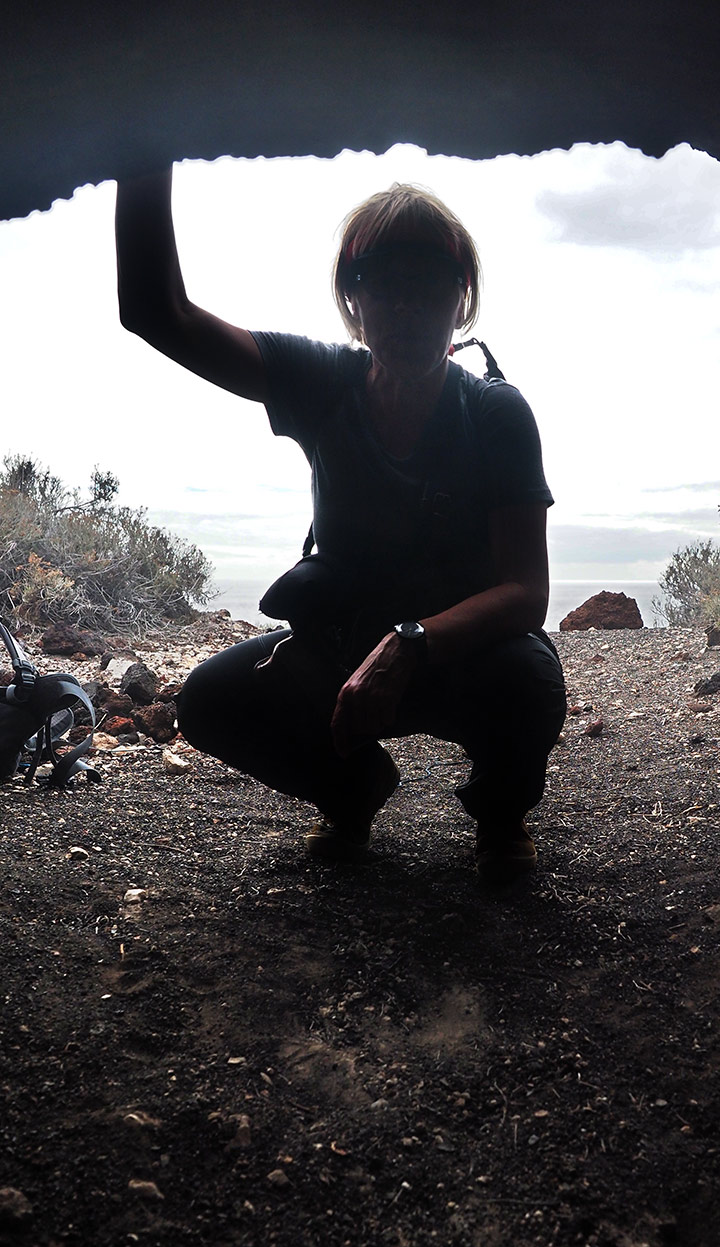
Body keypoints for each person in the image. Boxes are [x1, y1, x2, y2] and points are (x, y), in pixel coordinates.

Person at [115, 168, 566, 880]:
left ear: (463, 297)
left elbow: (523, 593)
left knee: (531, 684)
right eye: (385, 283)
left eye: (432, 283)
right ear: (354, 299)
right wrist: (145, 141)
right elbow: (155, 313)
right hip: (341, 647)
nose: (409, 306)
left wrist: (410, 643)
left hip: (464, 655)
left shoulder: (495, 412)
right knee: (211, 701)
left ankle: (501, 815)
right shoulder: (322, 381)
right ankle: (352, 793)